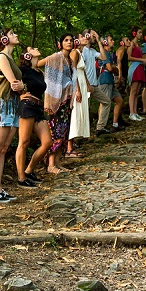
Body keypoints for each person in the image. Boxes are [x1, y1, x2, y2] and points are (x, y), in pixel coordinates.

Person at [0, 29, 25, 202]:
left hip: (13, 105)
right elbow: (15, 84)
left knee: (3, 148)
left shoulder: (11, 59)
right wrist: (22, 86)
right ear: (5, 39)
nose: (16, 35)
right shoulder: (2, 57)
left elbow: (20, 86)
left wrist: (23, 86)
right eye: (12, 33)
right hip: (4, 105)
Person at [37, 33, 75, 174]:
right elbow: (38, 64)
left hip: (67, 101)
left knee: (64, 132)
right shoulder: (56, 57)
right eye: (66, 40)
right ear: (61, 43)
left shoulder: (69, 59)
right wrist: (45, 79)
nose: (69, 42)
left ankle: (58, 163)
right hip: (56, 101)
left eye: (71, 40)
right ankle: (51, 164)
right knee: (56, 131)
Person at [16, 47, 51, 186]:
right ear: (27, 54)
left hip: (38, 107)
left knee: (47, 142)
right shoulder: (23, 70)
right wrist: (21, 93)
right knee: (24, 142)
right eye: (32, 48)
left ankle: (29, 171)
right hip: (27, 105)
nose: (36, 48)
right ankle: (21, 178)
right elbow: (10, 81)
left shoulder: (39, 72)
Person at [87, 32, 123, 134]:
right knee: (104, 102)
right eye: (111, 40)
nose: (113, 41)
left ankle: (114, 124)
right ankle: (101, 126)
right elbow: (109, 68)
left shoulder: (108, 54)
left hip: (109, 80)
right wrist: (117, 69)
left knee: (119, 100)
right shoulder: (105, 54)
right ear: (105, 42)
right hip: (105, 80)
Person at [67, 32, 92, 157]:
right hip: (77, 85)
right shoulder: (74, 53)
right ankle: (69, 147)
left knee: (80, 113)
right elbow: (73, 71)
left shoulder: (80, 53)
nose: (85, 38)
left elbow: (82, 70)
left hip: (82, 84)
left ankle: (73, 143)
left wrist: (87, 85)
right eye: (82, 37)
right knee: (75, 114)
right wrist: (76, 89)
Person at [127, 28, 146, 122]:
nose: (141, 34)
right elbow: (129, 57)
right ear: (134, 33)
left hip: (140, 68)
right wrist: (142, 60)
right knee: (133, 91)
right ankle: (131, 112)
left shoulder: (139, 45)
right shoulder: (131, 44)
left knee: (137, 92)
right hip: (135, 68)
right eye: (139, 32)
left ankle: (135, 112)